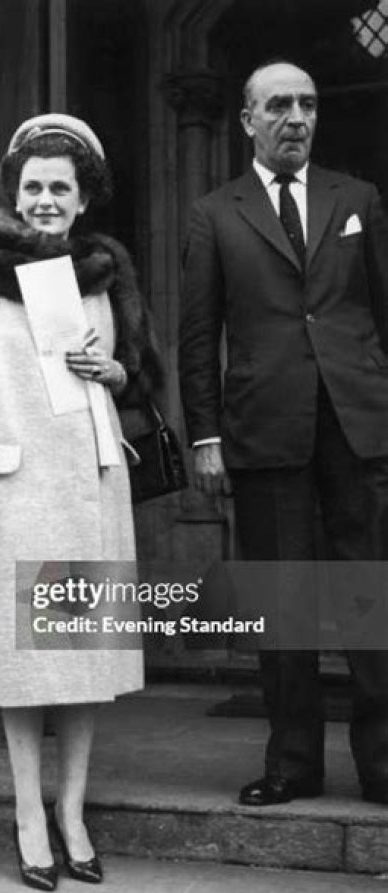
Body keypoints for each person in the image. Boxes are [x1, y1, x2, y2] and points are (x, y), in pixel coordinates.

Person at [0, 113, 162, 890]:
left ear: (82, 198)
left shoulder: (104, 276)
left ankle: (73, 811)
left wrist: (115, 373)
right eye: (33, 187)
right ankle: (29, 813)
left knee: (83, 657)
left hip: (88, 489)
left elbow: (138, 374)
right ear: (15, 194)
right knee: (22, 663)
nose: (45, 201)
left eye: (60, 188)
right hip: (14, 489)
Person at [180, 59, 388, 807]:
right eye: (278, 106)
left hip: (359, 424)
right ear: (248, 120)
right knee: (282, 600)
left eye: (307, 104)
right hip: (266, 427)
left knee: (370, 597)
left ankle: (384, 765)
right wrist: (205, 435)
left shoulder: (356, 198)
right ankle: (293, 763)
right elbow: (198, 333)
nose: (296, 118)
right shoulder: (215, 214)